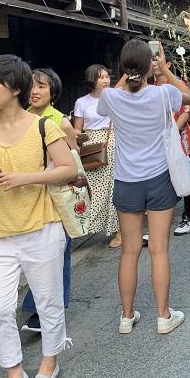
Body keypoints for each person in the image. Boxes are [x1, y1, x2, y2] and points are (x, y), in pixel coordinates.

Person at [0, 55, 77, 378]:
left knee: (47, 301)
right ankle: (15, 376)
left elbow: (67, 169)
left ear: (15, 87)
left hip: (41, 227)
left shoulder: (44, 127)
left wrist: (27, 177)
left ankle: (49, 364)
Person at [97, 40, 190, 335]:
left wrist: (128, 74)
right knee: (159, 251)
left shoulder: (111, 97)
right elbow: (188, 96)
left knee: (129, 251)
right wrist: (163, 68)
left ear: (122, 67)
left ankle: (127, 317)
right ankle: (163, 316)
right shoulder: (163, 94)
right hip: (159, 178)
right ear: (151, 62)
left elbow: (111, 93)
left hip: (127, 181)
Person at [20, 68, 77, 334]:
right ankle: (43, 307)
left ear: (52, 91)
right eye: (31, 86)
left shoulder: (61, 122)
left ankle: (44, 311)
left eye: (41, 86)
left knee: (59, 252)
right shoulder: (20, 120)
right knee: (36, 254)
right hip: (29, 196)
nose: (35, 91)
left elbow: (74, 160)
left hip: (56, 196)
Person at [73, 65, 121, 248]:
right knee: (91, 190)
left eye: (107, 76)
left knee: (113, 188)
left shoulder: (115, 97)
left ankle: (120, 231)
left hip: (113, 142)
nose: (106, 80)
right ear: (92, 79)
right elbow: (78, 127)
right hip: (91, 146)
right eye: (101, 77)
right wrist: (78, 136)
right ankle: (85, 227)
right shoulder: (81, 102)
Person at [152, 50, 190, 236]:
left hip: (180, 139)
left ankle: (189, 216)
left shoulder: (177, 84)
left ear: (168, 64)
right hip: (159, 142)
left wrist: (171, 131)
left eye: (157, 61)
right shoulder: (150, 86)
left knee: (185, 177)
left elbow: (187, 110)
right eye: (151, 62)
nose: (153, 65)